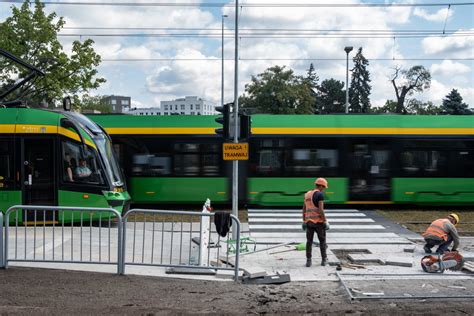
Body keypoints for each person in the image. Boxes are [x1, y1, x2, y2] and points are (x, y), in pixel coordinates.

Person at [302, 177, 330, 267]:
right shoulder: (320, 195)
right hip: (318, 223)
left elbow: (304, 209)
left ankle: (308, 261)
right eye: (324, 187)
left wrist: (304, 221)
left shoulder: (307, 194)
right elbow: (321, 210)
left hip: (309, 222)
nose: (324, 189)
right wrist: (325, 221)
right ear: (321, 186)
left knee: (309, 241)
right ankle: (324, 260)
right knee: (322, 241)